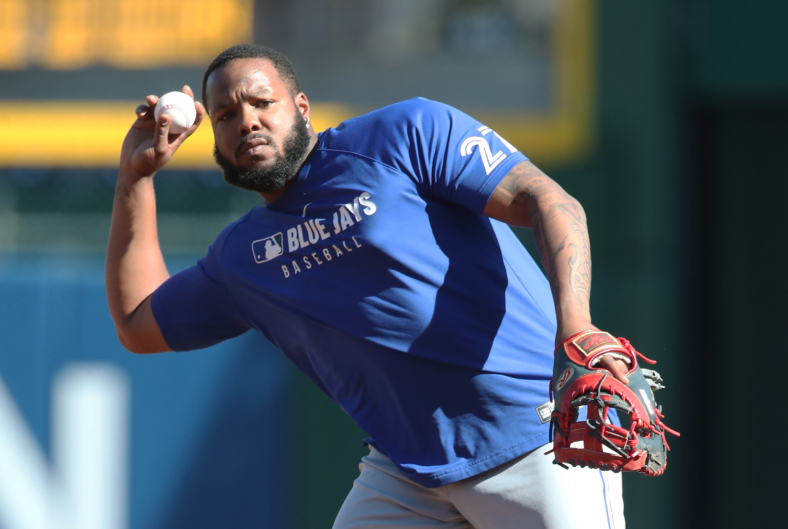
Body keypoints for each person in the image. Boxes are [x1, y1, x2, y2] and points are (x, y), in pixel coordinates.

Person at [106, 44, 630, 528]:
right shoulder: (241, 259)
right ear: (215, 138)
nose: (247, 120)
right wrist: (136, 178)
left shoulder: (402, 134)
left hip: (533, 436)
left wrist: (576, 325)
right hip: (408, 472)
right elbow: (138, 323)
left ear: (302, 107)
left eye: (262, 101)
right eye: (225, 115)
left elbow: (549, 200)